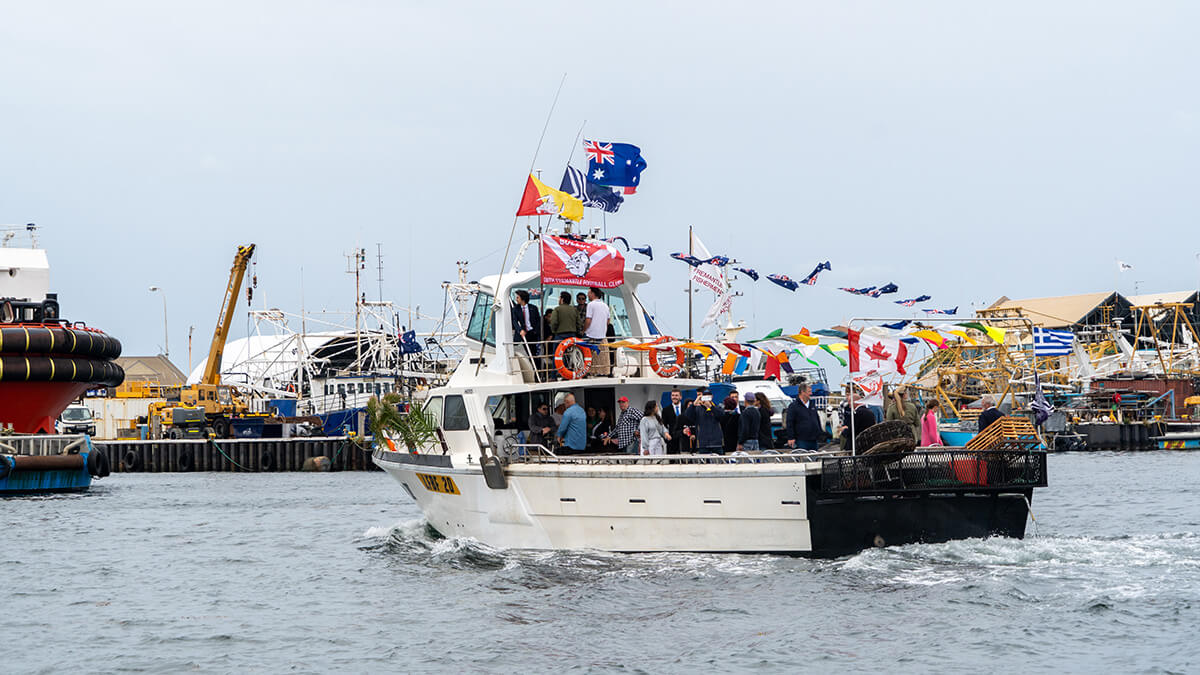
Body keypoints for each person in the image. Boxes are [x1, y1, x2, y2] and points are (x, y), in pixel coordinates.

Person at [683, 387, 725, 454]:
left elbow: (721, 416)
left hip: (717, 443)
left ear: (712, 396)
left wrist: (711, 407)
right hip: (703, 444)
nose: (707, 398)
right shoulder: (697, 409)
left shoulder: (718, 407)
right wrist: (694, 404)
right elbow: (687, 415)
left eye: (708, 396)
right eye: (705, 396)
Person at [582, 287, 611, 377]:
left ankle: (589, 371)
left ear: (593, 294)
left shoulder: (591, 305)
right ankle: (603, 371)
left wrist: (584, 330)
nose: (587, 295)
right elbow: (608, 321)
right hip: (602, 335)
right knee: (602, 356)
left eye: (589, 293)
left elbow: (588, 320)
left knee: (588, 355)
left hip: (591, 334)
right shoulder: (605, 305)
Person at [785, 383, 823, 451]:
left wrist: (819, 432)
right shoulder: (793, 406)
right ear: (802, 392)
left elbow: (817, 418)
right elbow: (789, 422)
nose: (811, 394)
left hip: (814, 439)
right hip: (801, 440)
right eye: (809, 392)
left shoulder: (812, 405)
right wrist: (791, 437)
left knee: (815, 458)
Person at [510, 290, 540, 356]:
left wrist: (535, 331)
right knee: (522, 352)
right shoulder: (515, 309)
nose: (516, 299)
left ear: (523, 298)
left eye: (518, 297)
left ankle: (534, 365)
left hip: (531, 333)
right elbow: (514, 321)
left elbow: (538, 320)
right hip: (521, 334)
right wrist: (520, 330)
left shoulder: (533, 308)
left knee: (533, 352)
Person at [661, 389, 687, 453]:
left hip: (684, 439)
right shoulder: (666, 410)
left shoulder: (686, 409)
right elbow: (663, 425)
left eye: (676, 395)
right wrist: (666, 437)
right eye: (672, 395)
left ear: (680, 397)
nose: (674, 397)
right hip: (671, 440)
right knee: (672, 461)